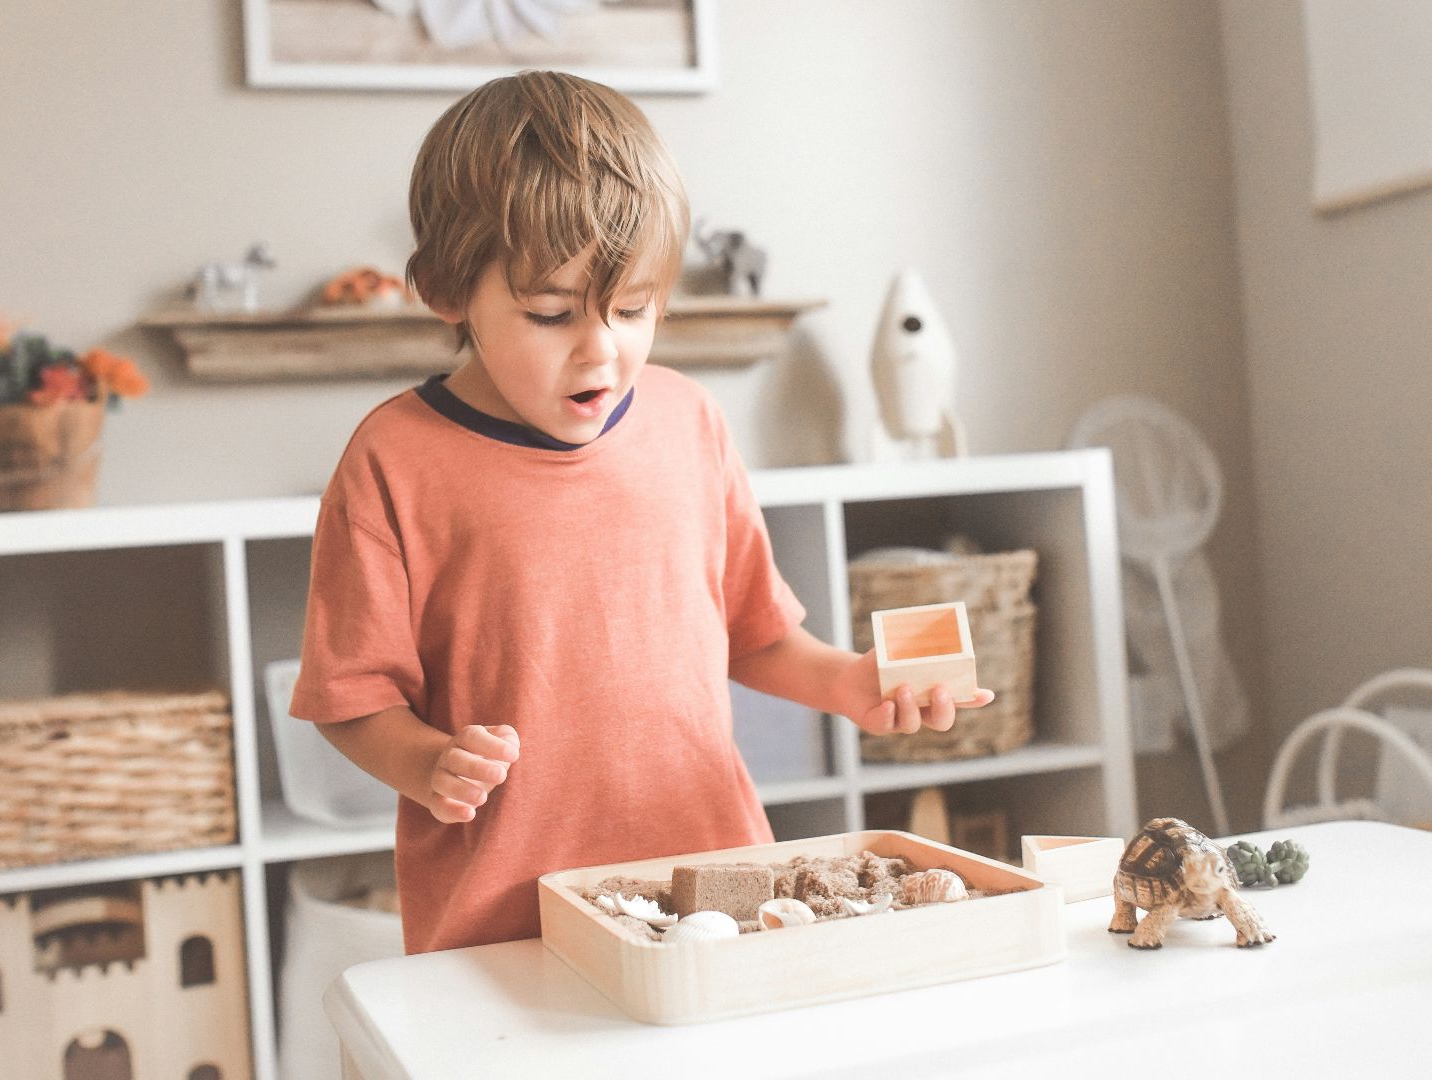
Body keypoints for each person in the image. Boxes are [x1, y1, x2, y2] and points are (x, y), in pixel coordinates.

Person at [289, 70, 994, 954]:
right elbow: (350, 697)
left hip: (716, 888)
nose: (601, 351)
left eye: (633, 309)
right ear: (446, 290)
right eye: (550, 314)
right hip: (506, 919)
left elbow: (754, 634)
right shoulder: (393, 460)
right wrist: (427, 764)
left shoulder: (689, 420)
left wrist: (848, 684)